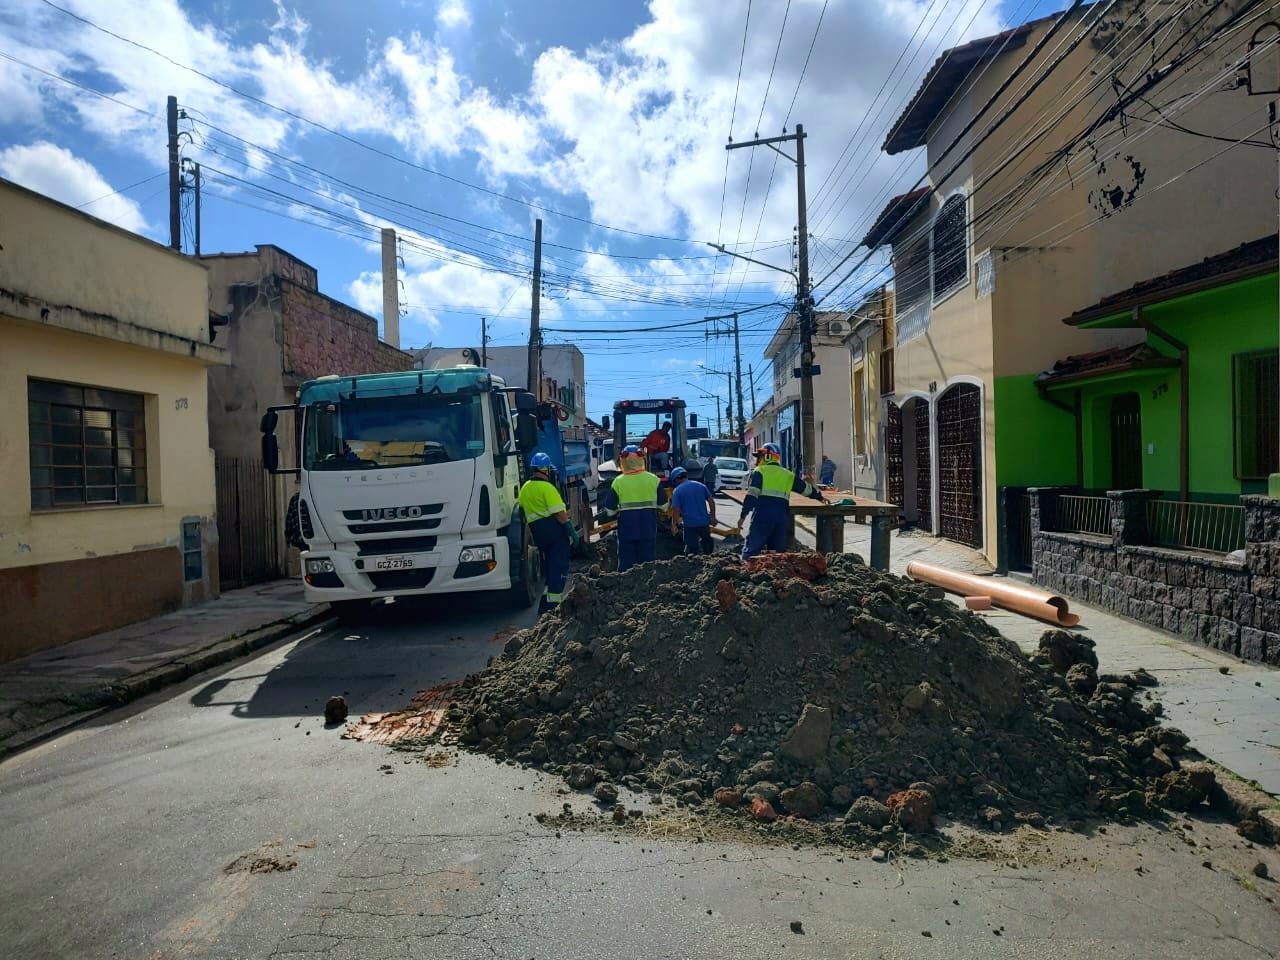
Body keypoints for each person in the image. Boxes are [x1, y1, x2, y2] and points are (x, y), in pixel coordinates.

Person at [737, 443, 825, 560]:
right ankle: (778, 575)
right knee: (778, 555)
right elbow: (805, 489)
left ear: (768, 456)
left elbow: (752, 496)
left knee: (751, 550)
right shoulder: (788, 474)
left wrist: (743, 515)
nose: (757, 460)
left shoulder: (759, 471)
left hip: (762, 517)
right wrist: (819, 497)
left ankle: (746, 572)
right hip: (781, 518)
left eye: (760, 456)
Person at [517, 452, 580, 613]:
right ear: (545, 469)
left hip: (538, 533)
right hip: (554, 533)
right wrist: (572, 532)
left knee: (550, 568)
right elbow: (559, 514)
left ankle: (544, 604)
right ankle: (554, 607)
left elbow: (523, 510)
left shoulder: (525, 488)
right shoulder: (547, 488)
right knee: (558, 568)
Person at [597, 444, 660, 572]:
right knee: (648, 565)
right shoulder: (654, 480)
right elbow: (664, 506)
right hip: (648, 529)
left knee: (626, 566)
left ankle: (625, 589)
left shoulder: (618, 482)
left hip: (627, 531)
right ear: (641, 459)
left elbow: (609, 511)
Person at [668, 466, 716, 555]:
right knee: (707, 545)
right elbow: (711, 502)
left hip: (690, 525)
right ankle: (709, 561)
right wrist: (713, 517)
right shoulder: (701, 486)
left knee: (692, 550)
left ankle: (693, 566)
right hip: (704, 523)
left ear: (676, 480)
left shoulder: (677, 491)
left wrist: (674, 525)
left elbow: (676, 510)